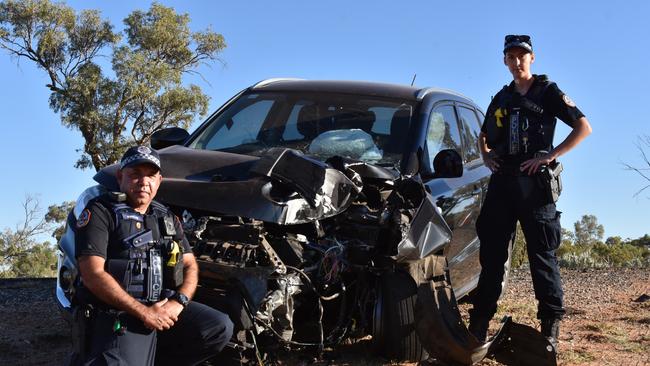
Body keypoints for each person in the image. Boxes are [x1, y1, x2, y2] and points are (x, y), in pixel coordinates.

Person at [468, 35, 592, 351]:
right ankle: (478, 327)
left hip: (535, 185)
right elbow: (483, 135)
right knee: (492, 257)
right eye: (511, 56)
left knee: (542, 257)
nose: (517, 61)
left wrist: (550, 155)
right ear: (505, 61)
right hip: (503, 183)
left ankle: (549, 331)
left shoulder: (547, 92)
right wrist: (486, 156)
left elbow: (583, 127)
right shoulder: (502, 97)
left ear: (532, 58)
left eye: (522, 55)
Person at [70, 146, 234, 365]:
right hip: (121, 311)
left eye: (150, 175)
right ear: (120, 177)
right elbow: (92, 274)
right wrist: (144, 313)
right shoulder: (101, 210)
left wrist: (179, 302)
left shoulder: (165, 216)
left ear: (159, 180)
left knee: (218, 327)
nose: (143, 181)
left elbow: (190, 265)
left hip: (161, 304)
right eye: (135, 174)